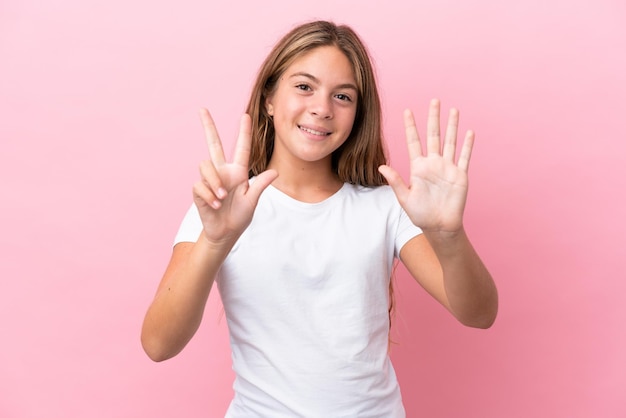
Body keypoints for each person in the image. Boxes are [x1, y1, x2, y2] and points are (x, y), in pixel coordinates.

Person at [141, 20, 498, 417]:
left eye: (342, 96)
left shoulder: (386, 206)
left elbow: (479, 314)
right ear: (269, 99)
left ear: (357, 114)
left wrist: (448, 236)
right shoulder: (222, 207)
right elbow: (158, 345)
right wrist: (214, 241)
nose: (322, 108)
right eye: (304, 87)